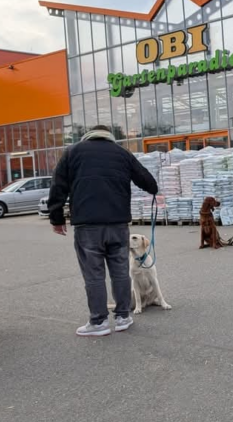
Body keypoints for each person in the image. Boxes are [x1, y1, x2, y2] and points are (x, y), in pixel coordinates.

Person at [48, 125, 158, 337]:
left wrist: (56, 218)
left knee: (94, 274)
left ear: (87, 136)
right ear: (110, 137)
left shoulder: (73, 152)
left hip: (87, 226)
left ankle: (98, 322)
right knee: (120, 271)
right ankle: (123, 316)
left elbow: (58, 185)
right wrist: (153, 190)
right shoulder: (122, 153)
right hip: (118, 225)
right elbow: (147, 181)